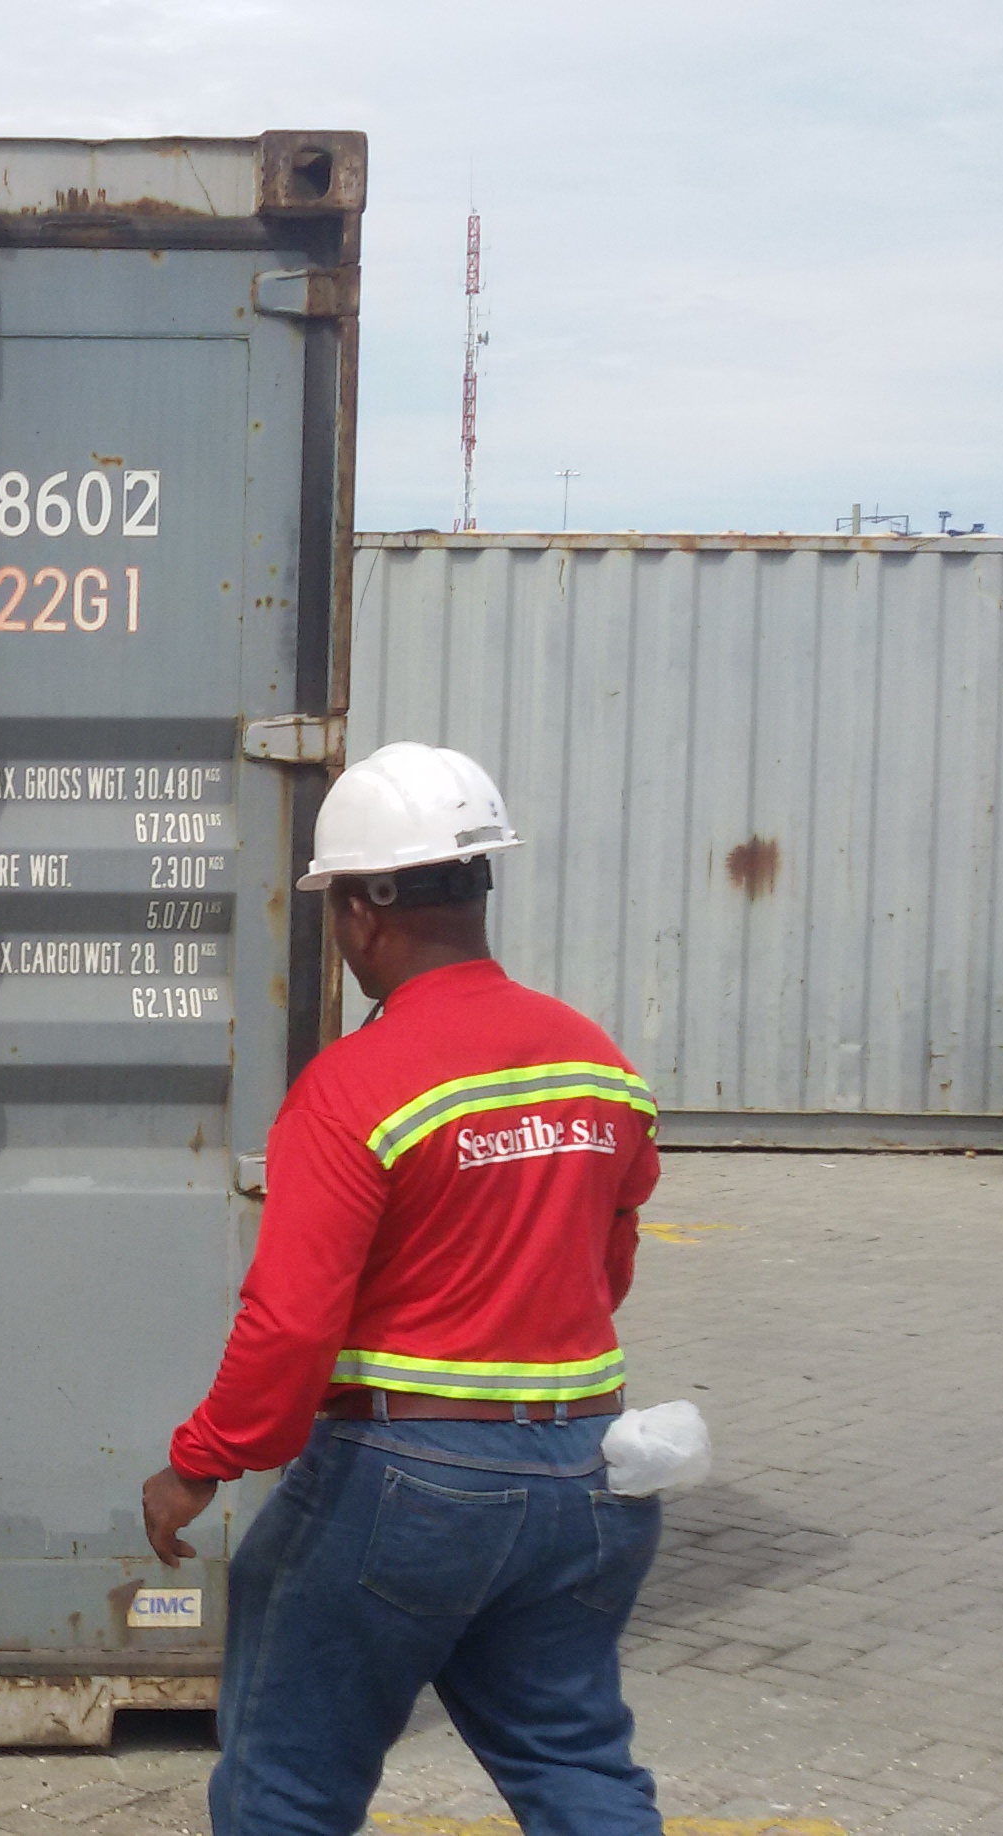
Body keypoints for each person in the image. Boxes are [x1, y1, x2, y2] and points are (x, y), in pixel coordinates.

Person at [142, 742, 666, 1836]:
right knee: (576, 1766)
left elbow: (291, 1325)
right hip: (588, 1478)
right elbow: (605, 1267)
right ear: (480, 886)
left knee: (287, 1786)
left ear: (360, 912)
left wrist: (200, 1463)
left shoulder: (355, 1086)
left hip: (409, 1488)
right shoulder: (596, 1063)